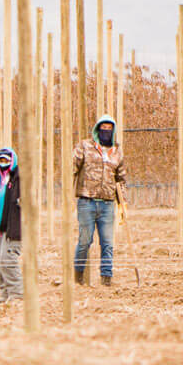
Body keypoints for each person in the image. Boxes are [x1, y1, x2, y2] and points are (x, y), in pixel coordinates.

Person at [71, 114, 125, 286]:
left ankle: (106, 278)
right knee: (85, 241)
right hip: (87, 201)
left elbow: (121, 178)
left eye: (110, 129)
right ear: (97, 129)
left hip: (108, 203)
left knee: (108, 243)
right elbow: (71, 168)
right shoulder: (85, 147)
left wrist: (123, 202)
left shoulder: (117, 151)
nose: (106, 132)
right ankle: (78, 276)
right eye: (103, 128)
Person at [0, 147, 23, 302]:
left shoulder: (18, 181)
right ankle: (5, 293)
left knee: (7, 260)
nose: (3, 164)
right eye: (0, 160)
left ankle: (17, 294)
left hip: (12, 228)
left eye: (6, 161)